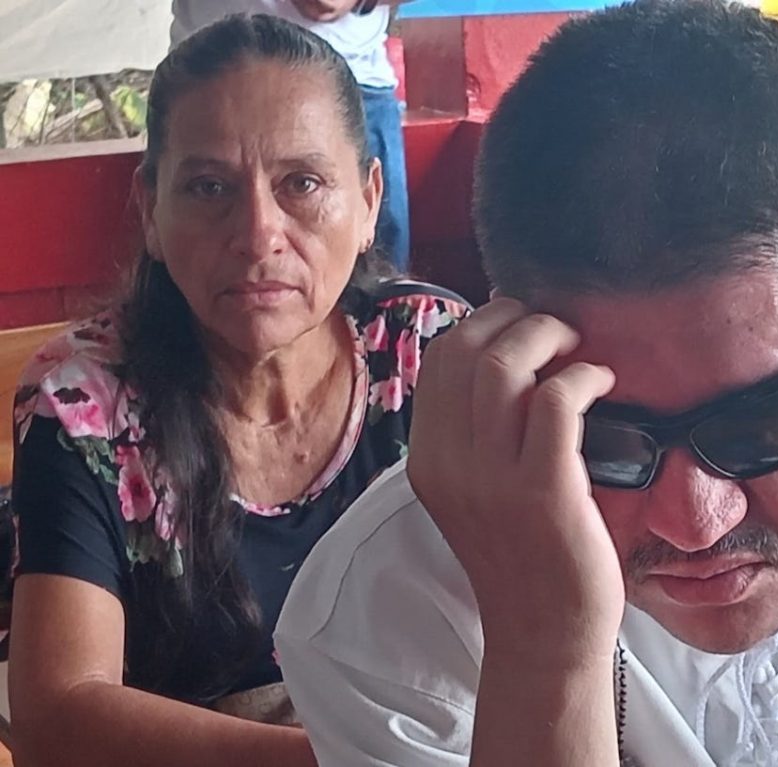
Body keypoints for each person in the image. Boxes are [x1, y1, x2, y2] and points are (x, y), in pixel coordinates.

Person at [274, 1, 778, 765]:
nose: (694, 521)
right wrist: (542, 655)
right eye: (604, 435)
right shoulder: (389, 615)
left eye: (765, 420)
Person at [8, 14, 465, 767]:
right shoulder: (88, 405)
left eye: (302, 183)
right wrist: (352, 760)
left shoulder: (434, 354)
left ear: (368, 201)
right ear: (152, 212)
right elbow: (59, 712)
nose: (258, 234)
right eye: (209, 187)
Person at [171, 0, 413, 271]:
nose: (260, 240)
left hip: (356, 83)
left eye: (302, 184)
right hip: (207, 80)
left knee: (383, 276)